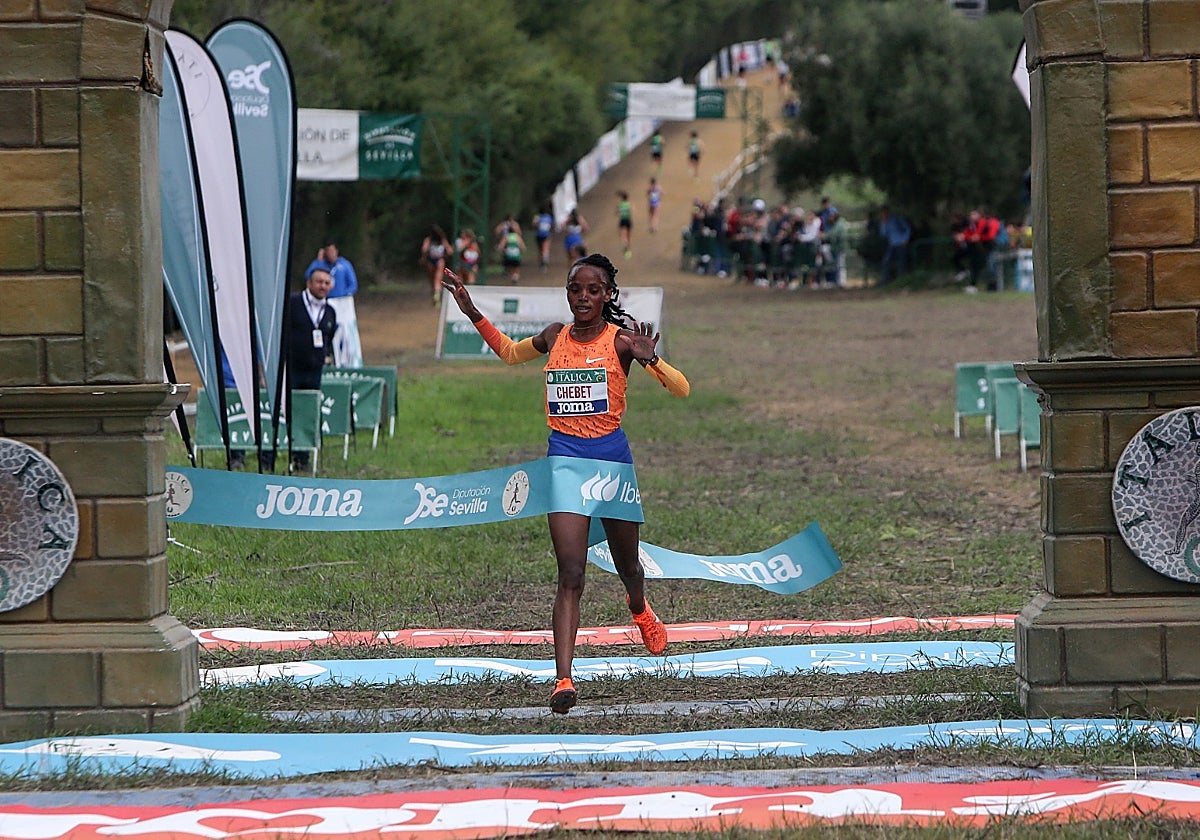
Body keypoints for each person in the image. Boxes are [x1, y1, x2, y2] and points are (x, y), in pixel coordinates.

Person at [440, 254, 690, 714]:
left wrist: (652, 360)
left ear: (608, 295)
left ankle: (639, 607)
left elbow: (682, 389)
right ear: (568, 294)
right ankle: (563, 679)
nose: (583, 298)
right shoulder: (556, 335)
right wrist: (473, 312)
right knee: (570, 571)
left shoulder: (623, 343)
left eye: (593, 291)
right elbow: (511, 352)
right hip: (565, 460)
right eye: (576, 290)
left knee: (627, 564)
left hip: (612, 464)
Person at [284, 268, 336, 473]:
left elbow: (329, 336)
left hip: (314, 371)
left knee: (307, 414)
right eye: (319, 282)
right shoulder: (293, 303)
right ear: (309, 283)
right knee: (286, 411)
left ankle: (301, 459)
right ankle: (270, 455)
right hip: (292, 369)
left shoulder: (330, 311)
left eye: (326, 283)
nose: (322, 286)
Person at [304, 241, 361, 368]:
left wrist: (343, 294)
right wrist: (318, 260)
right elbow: (308, 276)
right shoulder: (321, 266)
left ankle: (349, 361)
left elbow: (353, 285)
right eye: (328, 252)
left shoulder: (344, 265)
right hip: (327, 303)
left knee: (345, 332)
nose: (331, 255)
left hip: (343, 305)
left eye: (333, 251)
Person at [878, 206, 911, 286]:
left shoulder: (896, 219)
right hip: (892, 244)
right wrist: (883, 224)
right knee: (886, 262)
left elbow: (907, 228)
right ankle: (886, 281)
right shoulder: (884, 223)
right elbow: (883, 234)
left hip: (900, 243)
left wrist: (905, 239)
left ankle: (901, 281)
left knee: (901, 262)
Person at [420, 225, 451, 306]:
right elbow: (449, 251)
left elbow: (424, 250)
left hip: (432, 260)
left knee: (433, 280)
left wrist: (423, 258)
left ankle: (435, 295)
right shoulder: (441, 240)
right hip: (439, 260)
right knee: (437, 279)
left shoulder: (429, 240)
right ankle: (436, 295)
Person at [533, 205, 554, 271]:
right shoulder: (549, 217)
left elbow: (533, 225)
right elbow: (551, 226)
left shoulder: (537, 217)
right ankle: (544, 262)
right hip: (546, 235)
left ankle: (541, 264)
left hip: (539, 235)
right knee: (545, 249)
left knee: (540, 250)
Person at [616, 190, 633, 258]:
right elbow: (631, 211)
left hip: (622, 220)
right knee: (629, 235)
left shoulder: (620, 205)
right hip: (628, 220)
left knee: (622, 234)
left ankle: (625, 243)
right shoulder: (629, 204)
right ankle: (628, 246)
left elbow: (617, 213)